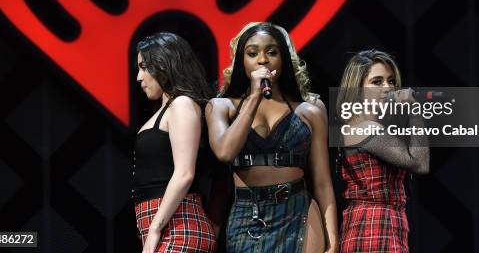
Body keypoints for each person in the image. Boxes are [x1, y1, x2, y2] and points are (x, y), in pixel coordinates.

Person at [206, 22, 338, 252]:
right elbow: (224, 152)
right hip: (248, 216)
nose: (263, 59)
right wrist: (254, 97)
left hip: (299, 213)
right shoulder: (221, 107)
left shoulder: (311, 110)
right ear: (241, 60)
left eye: (272, 52)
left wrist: (333, 241)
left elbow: (323, 183)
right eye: (252, 53)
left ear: (284, 58)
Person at [336, 50, 429, 253]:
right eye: (377, 82)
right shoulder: (364, 126)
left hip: (387, 224)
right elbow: (420, 163)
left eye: (391, 81)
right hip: (372, 227)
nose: (387, 88)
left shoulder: (373, 126)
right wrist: (415, 112)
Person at [131, 32, 217, 253]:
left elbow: (184, 173)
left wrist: (155, 229)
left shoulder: (182, 104)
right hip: (166, 224)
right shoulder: (167, 108)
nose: (139, 77)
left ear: (164, 64)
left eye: (144, 67)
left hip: (179, 227)